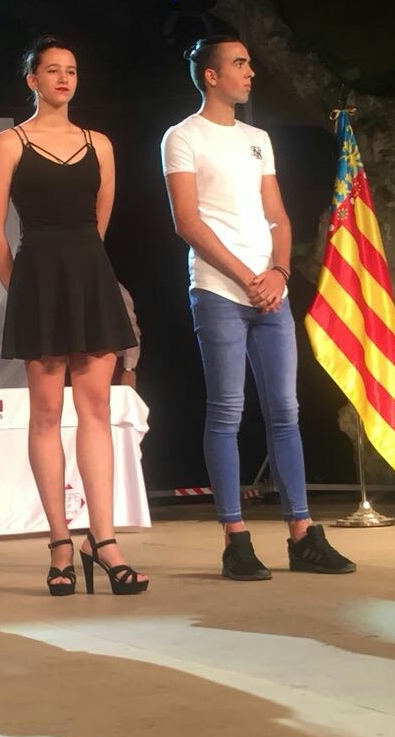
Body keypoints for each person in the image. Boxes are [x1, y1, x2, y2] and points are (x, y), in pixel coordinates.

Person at [160, 36, 356, 581]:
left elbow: (279, 217)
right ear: (211, 75)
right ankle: (236, 539)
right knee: (227, 411)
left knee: (285, 412)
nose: (251, 72)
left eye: (249, 63)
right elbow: (187, 221)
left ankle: (302, 534)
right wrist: (247, 277)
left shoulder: (258, 139)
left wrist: (279, 273)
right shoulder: (182, 136)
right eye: (240, 63)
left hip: (271, 291)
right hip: (219, 291)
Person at [0, 35, 147, 597]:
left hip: (89, 277)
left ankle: (105, 540)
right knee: (47, 413)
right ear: (32, 80)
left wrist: (80, 277)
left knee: (96, 408)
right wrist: (27, 293)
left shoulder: (100, 144)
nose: (63, 79)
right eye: (52, 70)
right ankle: (59, 542)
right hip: (39, 280)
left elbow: (99, 223)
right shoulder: (10, 142)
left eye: (71, 70)